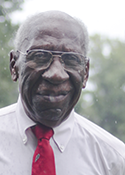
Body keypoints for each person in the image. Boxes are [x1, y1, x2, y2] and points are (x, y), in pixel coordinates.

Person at [0, 10, 125, 175]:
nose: (56, 74)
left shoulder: (114, 161)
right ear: (14, 66)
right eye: (40, 56)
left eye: (71, 59)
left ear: (85, 73)